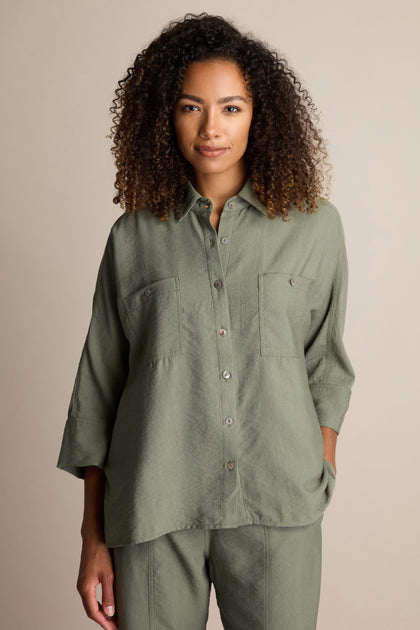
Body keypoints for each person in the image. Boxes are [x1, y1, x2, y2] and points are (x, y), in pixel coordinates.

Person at [56, 12, 356, 630]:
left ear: (260, 114)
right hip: (153, 506)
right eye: (192, 107)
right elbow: (99, 388)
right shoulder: (134, 236)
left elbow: (325, 364)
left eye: (232, 108)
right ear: (166, 115)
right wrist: (92, 537)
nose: (211, 128)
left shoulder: (314, 225)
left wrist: (317, 465)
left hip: (278, 505)